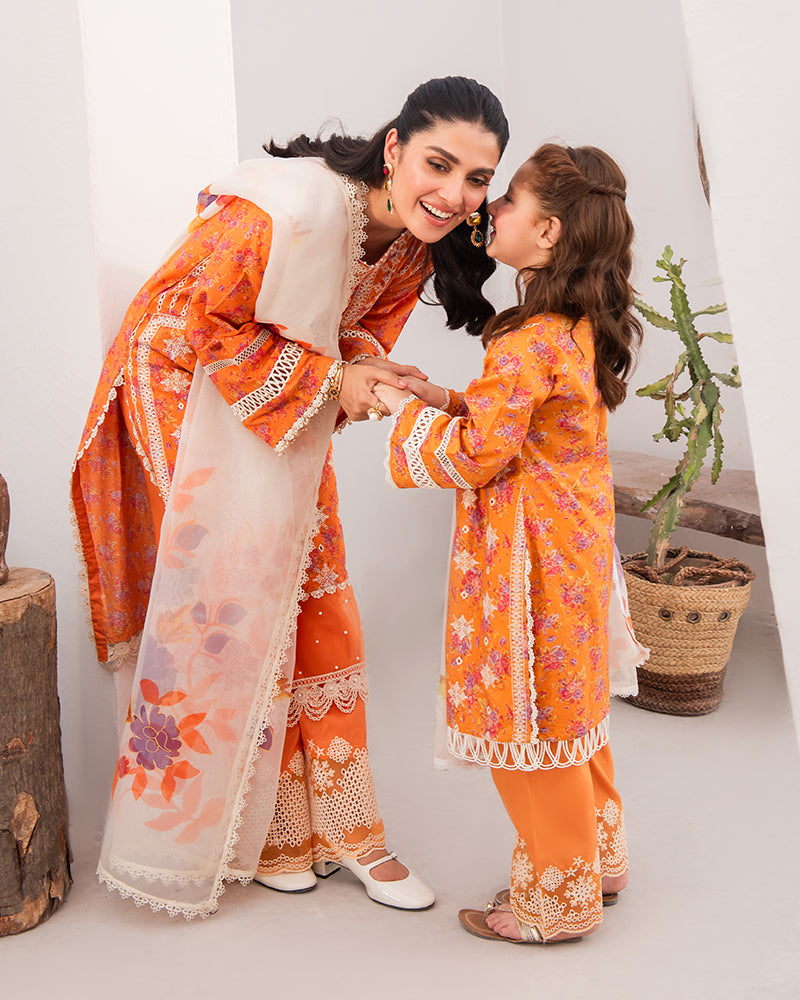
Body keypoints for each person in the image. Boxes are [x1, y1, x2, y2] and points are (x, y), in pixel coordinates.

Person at [71, 76, 508, 918]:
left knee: (317, 583)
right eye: (439, 164)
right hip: (180, 386)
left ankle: (328, 831)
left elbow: (351, 334)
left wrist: (369, 373)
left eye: (478, 179)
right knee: (230, 595)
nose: (455, 195)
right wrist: (339, 380)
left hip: (273, 394)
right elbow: (206, 324)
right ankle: (227, 834)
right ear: (394, 149)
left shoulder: (413, 244)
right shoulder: (289, 206)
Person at [376, 142, 644, 943]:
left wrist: (403, 414)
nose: (489, 208)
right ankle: (599, 859)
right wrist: (441, 395)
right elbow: (523, 422)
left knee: (524, 726)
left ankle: (558, 902)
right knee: (570, 709)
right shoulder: (574, 328)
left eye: (508, 199)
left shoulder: (528, 342)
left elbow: (478, 455)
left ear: (550, 232)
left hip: (528, 565)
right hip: (576, 554)